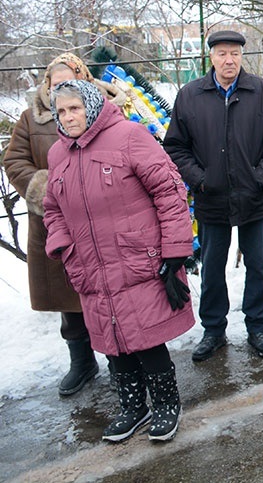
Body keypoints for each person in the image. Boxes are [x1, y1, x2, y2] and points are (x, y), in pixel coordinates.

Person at [43, 80, 194, 442]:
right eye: (61, 111)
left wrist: (175, 249)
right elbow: (52, 209)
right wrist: (63, 246)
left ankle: (166, 403)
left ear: (92, 106)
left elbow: (169, 190)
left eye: (75, 108)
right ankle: (132, 406)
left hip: (137, 258)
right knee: (111, 339)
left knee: (145, 335)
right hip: (90, 264)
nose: (68, 117)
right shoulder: (57, 155)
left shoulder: (129, 136)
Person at [163, 30, 263, 362]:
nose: (229, 60)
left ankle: (257, 327)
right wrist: (200, 179)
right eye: (222, 53)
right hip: (212, 198)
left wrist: (261, 177)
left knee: (257, 265)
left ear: (241, 56)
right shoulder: (190, 96)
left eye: (234, 53)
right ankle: (213, 331)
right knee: (212, 267)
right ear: (211, 57)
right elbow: (175, 146)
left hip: (254, 197)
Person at [3, 54, 127, 396]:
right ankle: (81, 362)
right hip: (53, 221)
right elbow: (14, 159)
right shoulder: (32, 118)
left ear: (83, 80)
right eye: (54, 84)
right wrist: (46, 189)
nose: (61, 90)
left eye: (68, 82)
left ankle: (119, 363)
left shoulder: (104, 111)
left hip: (98, 219)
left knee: (106, 294)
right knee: (68, 298)